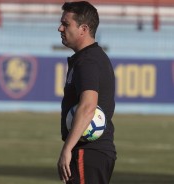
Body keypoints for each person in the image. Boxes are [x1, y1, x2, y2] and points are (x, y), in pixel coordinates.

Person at [57, 1, 116, 184]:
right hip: (92, 153)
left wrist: (67, 149)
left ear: (83, 29)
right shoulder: (88, 57)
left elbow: (88, 106)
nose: (60, 28)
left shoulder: (88, 61)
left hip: (88, 152)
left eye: (66, 24)